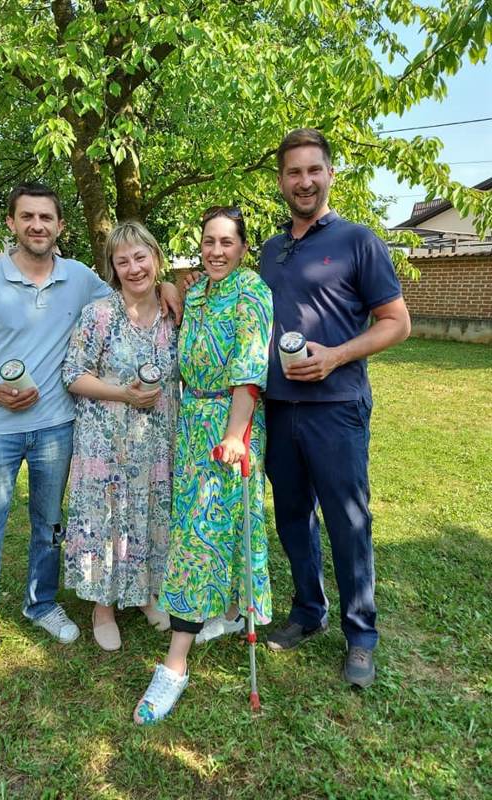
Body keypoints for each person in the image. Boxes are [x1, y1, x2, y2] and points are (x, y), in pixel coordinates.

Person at [0, 182, 181, 718]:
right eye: (27, 217)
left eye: (46, 217)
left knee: (50, 528)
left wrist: (171, 288)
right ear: (11, 222)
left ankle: (41, 603)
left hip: (55, 429)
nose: (38, 226)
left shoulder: (79, 279)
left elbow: (138, 282)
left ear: (60, 226)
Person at [260, 129, 411, 687]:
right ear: (281, 181)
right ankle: (308, 611)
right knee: (292, 516)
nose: (304, 181)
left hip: (336, 406)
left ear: (329, 174)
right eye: (294, 172)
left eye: (313, 170)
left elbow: (398, 322)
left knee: (348, 521)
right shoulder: (272, 249)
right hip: (278, 407)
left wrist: (336, 357)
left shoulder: (358, 240)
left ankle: (361, 634)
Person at [133, 206, 273, 725]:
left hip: (226, 426)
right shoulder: (197, 291)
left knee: (198, 537)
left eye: (227, 243)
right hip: (189, 421)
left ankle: (174, 665)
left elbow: (249, 371)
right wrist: (174, 282)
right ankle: (233, 612)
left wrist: (235, 435)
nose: (217, 251)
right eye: (209, 242)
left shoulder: (252, 291)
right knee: (214, 523)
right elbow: (175, 293)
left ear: (243, 247)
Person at [62, 221, 179, 650]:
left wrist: (172, 287)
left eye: (141, 257)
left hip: (156, 441)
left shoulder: (173, 313)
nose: (134, 268)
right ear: (112, 268)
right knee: (105, 519)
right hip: (106, 441)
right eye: (123, 260)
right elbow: (73, 374)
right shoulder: (100, 315)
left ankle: (146, 594)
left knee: (148, 515)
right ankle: (103, 606)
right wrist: (123, 394)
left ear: (155, 258)